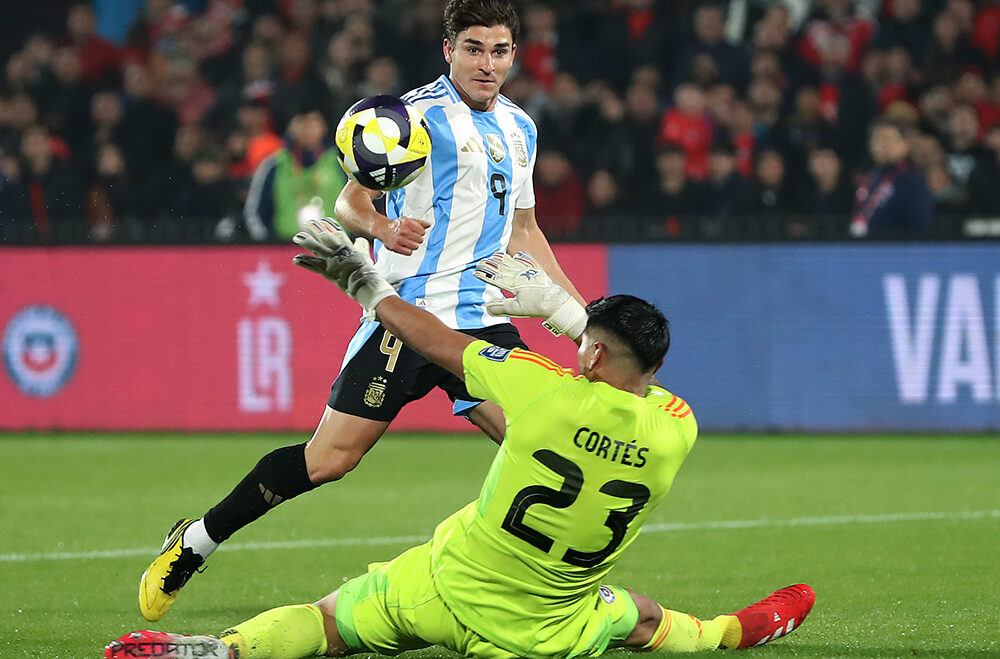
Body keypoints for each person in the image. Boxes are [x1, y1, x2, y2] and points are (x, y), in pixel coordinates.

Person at [108, 220, 814, 659]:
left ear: (595, 355)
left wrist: (366, 287)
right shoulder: (678, 427)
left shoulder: (543, 390)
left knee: (328, 624)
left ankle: (224, 652)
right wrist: (569, 317)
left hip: (446, 583)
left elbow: (446, 340)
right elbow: (636, 382)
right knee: (643, 617)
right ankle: (735, 630)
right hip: (550, 628)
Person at [138, 0, 584, 623]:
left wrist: (583, 318)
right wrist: (380, 228)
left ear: (515, 54)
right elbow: (348, 203)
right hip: (406, 313)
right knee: (328, 461)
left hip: (482, 320)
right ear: (449, 50)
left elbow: (526, 231)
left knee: (540, 448)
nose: (488, 64)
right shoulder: (410, 118)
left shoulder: (521, 129)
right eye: (474, 49)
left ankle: (537, 592)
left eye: (500, 51)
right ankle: (196, 541)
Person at [243, 102, 345, 241]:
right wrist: (269, 245)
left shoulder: (341, 163)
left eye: (312, 123)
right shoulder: (274, 166)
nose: (307, 129)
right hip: (285, 249)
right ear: (291, 127)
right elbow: (257, 212)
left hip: (337, 247)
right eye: (301, 123)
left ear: (323, 126)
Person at [851, 118, 934, 237]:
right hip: (863, 246)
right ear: (871, 146)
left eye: (889, 139)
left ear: (904, 145)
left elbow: (921, 229)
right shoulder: (869, 180)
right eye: (878, 139)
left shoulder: (913, 181)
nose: (884, 145)